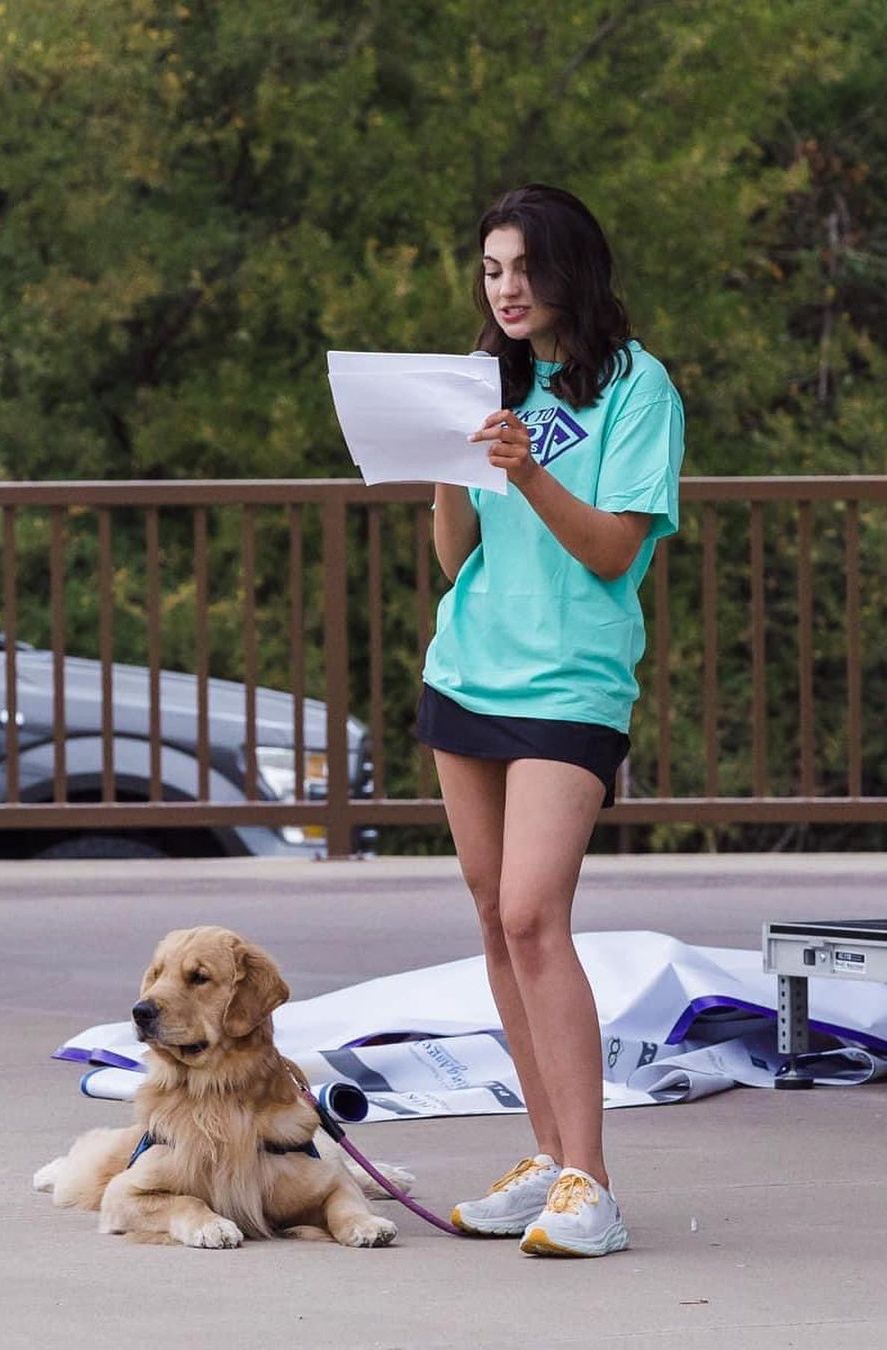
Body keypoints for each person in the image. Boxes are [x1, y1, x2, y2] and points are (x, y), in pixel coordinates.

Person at [416, 184, 684, 1257]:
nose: (508, 288)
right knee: (492, 919)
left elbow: (616, 551)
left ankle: (594, 1187)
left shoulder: (635, 386)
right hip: (467, 672)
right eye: (491, 270)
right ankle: (546, 1158)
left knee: (534, 916)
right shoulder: (492, 380)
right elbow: (455, 561)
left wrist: (524, 470)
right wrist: (449, 468)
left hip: (571, 683)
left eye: (525, 267)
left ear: (574, 269)